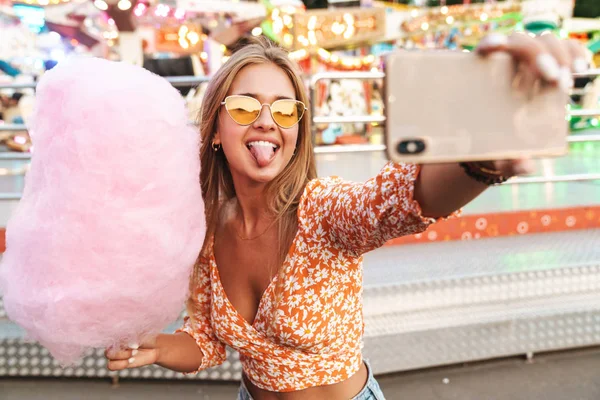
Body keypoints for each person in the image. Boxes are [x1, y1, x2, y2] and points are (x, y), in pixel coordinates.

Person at [106, 33, 588, 399]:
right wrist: (156, 347)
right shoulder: (204, 228)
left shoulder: (323, 210)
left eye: (286, 111)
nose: (267, 121)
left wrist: (480, 160)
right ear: (214, 127)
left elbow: (403, 200)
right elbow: (208, 340)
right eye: (245, 105)